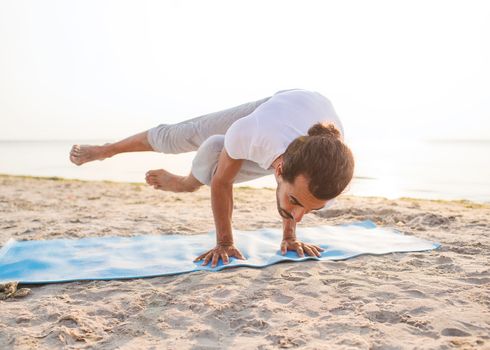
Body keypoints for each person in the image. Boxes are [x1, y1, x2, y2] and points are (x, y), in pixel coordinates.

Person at [69, 89, 355, 268]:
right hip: (280, 106)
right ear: (278, 170)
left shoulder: (334, 168)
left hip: (308, 120)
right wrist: (225, 243)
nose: (300, 215)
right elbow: (222, 182)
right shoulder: (252, 131)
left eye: (310, 209)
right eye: (296, 203)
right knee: (188, 139)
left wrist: (291, 237)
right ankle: (109, 151)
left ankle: (191, 180)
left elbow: (300, 192)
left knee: (295, 192)